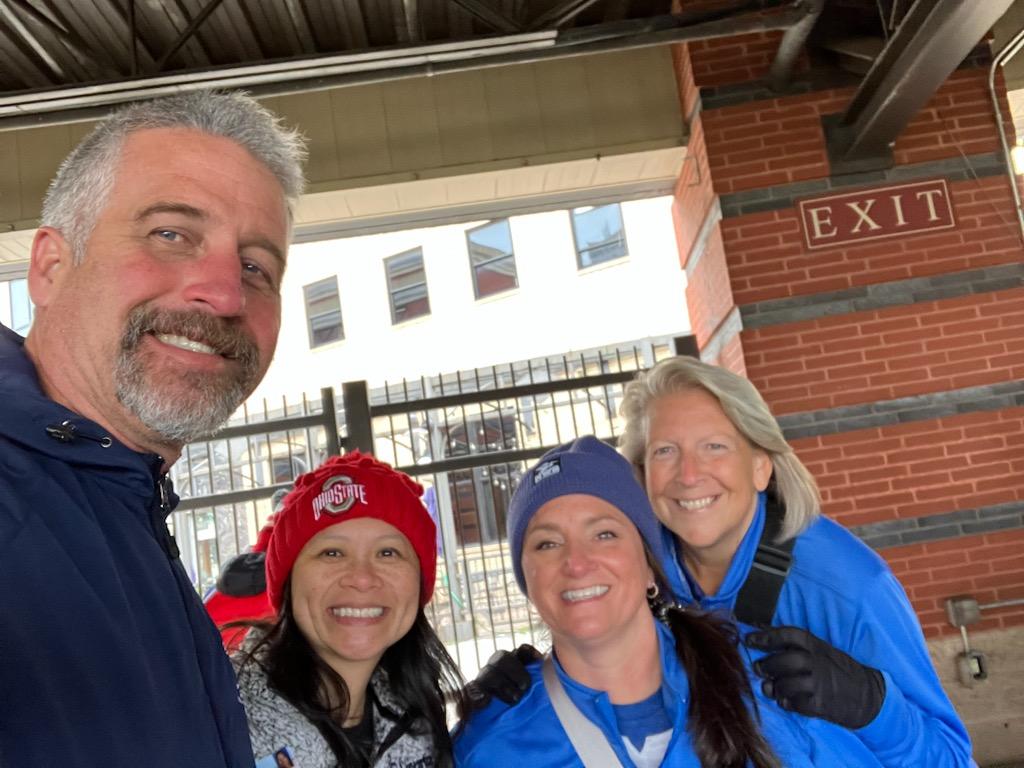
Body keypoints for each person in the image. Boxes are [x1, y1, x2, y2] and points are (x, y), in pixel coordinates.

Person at [0, 90, 305, 766]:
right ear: (50, 266)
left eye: (257, 267)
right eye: (172, 234)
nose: (225, 294)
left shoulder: (120, 507)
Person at [618, 355, 974, 766]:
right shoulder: (636, 571)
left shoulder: (850, 587)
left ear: (760, 466)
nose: (690, 474)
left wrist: (874, 708)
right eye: (665, 451)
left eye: (714, 446)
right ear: (642, 473)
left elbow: (952, 759)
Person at [455, 436, 837, 768]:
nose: (576, 563)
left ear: (651, 567)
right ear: (526, 579)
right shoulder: (490, 745)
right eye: (547, 544)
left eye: (604, 534)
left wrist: (877, 707)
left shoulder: (767, 678)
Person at [234, 451, 467, 767]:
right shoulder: (216, 716)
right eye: (332, 553)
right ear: (288, 582)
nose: (361, 578)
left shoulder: (420, 721)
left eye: (387, 552)